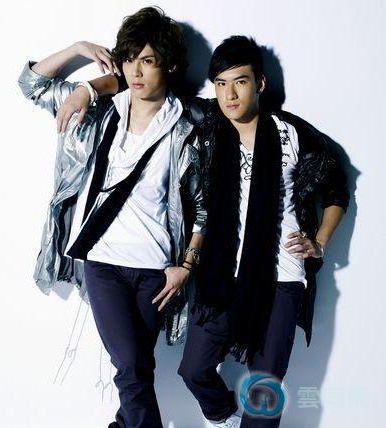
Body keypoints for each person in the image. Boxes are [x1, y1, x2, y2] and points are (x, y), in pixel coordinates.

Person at [56, 34, 349, 428]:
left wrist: (320, 242)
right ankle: (223, 415)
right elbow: (144, 83)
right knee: (194, 369)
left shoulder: (292, 132)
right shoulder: (207, 123)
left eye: (240, 82)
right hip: (220, 278)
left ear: (260, 84)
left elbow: (336, 187)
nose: (230, 95)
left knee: (264, 384)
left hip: (281, 277)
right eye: (221, 84)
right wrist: (88, 88)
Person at [18, 7, 206, 428]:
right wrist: (78, 52)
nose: (136, 71)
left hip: (156, 271)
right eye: (129, 59)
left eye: (148, 60)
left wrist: (187, 266)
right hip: (103, 263)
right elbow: (31, 84)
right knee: (131, 369)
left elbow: (203, 206)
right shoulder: (99, 112)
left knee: (137, 369)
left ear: (170, 66)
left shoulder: (188, 128)